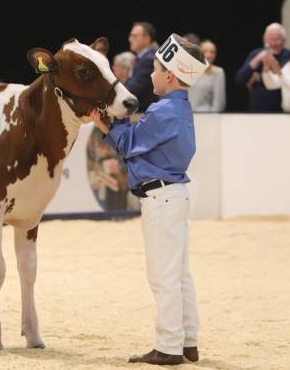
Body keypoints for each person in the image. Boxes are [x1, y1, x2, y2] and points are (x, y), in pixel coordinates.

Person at [91, 33, 207, 366]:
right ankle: (187, 341)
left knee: (164, 276)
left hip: (161, 198)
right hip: (173, 195)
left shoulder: (164, 111)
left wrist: (107, 125)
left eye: (155, 69)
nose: (151, 75)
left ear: (170, 75)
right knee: (180, 274)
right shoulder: (178, 108)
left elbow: (128, 144)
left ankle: (168, 347)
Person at [235, 23, 290, 112]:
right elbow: (239, 79)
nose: (273, 43)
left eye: (277, 39)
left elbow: (284, 78)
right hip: (257, 106)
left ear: (284, 41)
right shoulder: (256, 53)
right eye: (270, 39)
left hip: (279, 106)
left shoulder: (288, 55)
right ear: (264, 39)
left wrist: (259, 77)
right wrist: (257, 59)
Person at [125, 22, 158, 111]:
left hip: (143, 114)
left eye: (134, 36)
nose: (130, 39)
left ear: (147, 38)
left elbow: (133, 88)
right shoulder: (143, 58)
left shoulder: (149, 60)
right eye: (130, 36)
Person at [188, 40, 226, 112]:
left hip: (206, 117)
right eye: (205, 51)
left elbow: (218, 105)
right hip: (188, 116)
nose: (208, 55)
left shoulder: (218, 73)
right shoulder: (190, 70)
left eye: (212, 52)